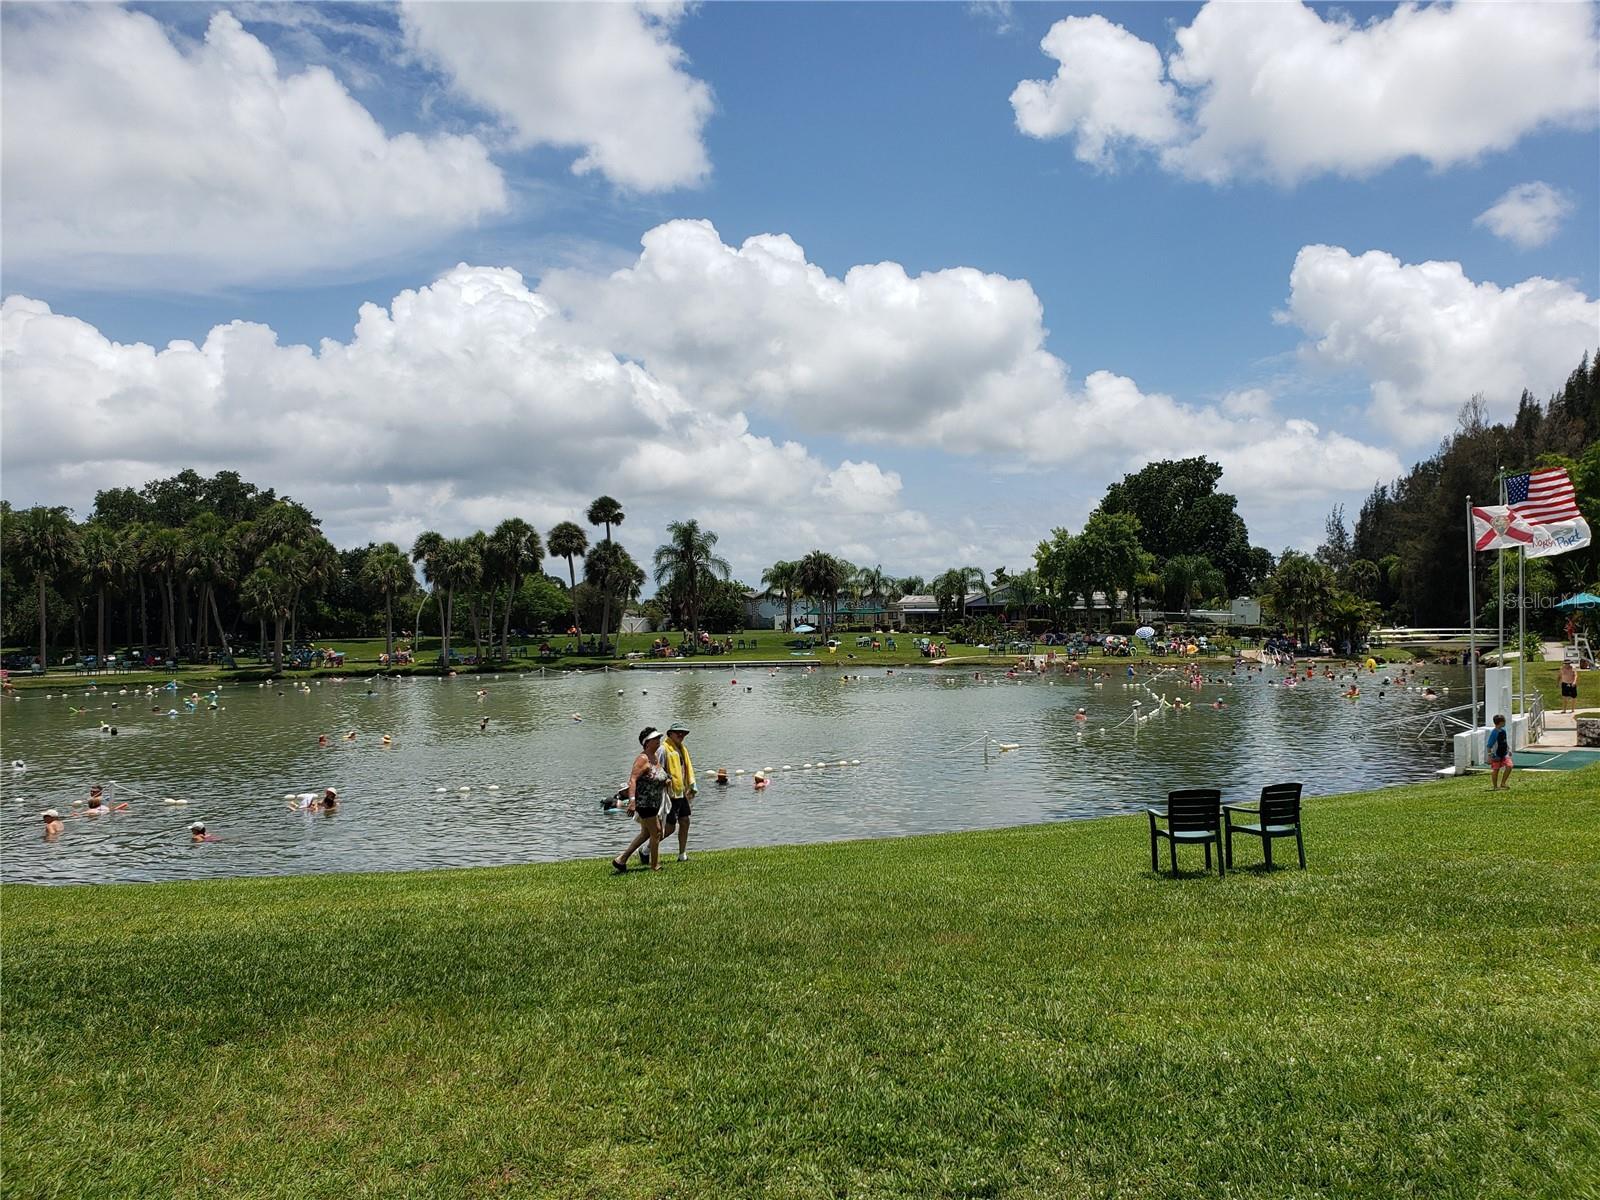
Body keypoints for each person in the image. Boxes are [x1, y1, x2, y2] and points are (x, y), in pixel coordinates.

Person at [612, 729, 666, 873]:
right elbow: (633, 780)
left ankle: (621, 860)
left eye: (659, 738)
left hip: (655, 803)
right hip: (644, 803)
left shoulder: (655, 757)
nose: (658, 740)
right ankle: (655, 865)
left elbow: (657, 775)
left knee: (646, 833)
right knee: (657, 832)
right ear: (646, 742)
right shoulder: (642, 759)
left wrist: (666, 781)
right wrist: (632, 801)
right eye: (655, 738)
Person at [660, 723, 697, 862]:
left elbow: (685, 770)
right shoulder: (663, 749)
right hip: (670, 793)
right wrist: (666, 780)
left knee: (685, 821)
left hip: (681, 792)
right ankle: (646, 849)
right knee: (669, 828)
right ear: (670, 734)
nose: (681, 735)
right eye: (678, 732)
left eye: (683, 733)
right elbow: (657, 768)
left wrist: (690, 786)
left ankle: (682, 855)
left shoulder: (682, 749)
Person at [1486, 714, 1513, 790]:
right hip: (1496, 755)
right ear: (1500, 723)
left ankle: (1503, 783)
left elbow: (1504, 742)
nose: (1505, 723)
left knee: (1509, 766)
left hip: (1504, 754)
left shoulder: (1503, 731)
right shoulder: (1494, 733)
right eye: (1504, 721)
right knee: (1496, 770)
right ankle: (1495, 786)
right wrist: (1489, 756)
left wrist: (1508, 749)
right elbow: (1489, 745)